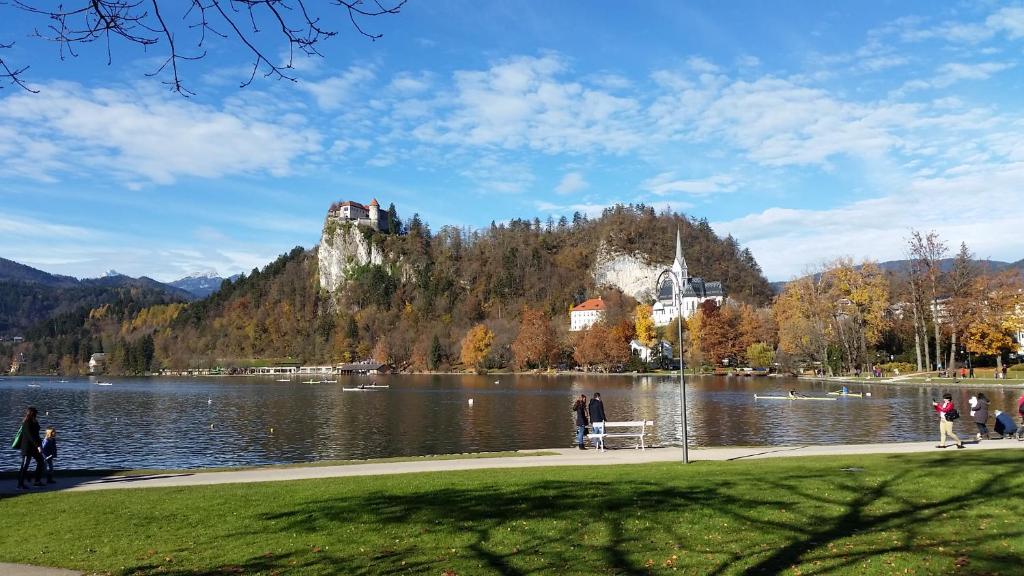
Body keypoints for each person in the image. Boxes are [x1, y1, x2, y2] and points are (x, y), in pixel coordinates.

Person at [15, 406, 45, 489]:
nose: (36, 415)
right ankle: (20, 484)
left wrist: (40, 445)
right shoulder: (26, 423)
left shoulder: (34, 421)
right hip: (27, 447)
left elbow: (36, 435)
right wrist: (38, 446)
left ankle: (36, 481)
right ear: (32, 413)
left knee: (41, 462)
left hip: (34, 447)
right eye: (35, 413)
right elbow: (30, 436)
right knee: (24, 465)